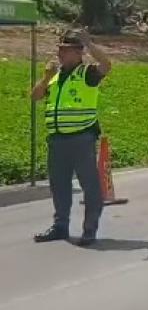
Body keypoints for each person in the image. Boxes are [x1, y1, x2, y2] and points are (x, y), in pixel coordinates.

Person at [31, 29, 112, 246]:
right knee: (59, 185)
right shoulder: (55, 78)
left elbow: (107, 66)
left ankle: (89, 229)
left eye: (65, 51)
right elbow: (35, 96)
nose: (60, 54)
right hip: (57, 140)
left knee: (89, 184)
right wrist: (46, 76)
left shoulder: (86, 73)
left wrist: (90, 43)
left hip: (81, 138)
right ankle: (60, 226)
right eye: (59, 50)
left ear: (78, 53)